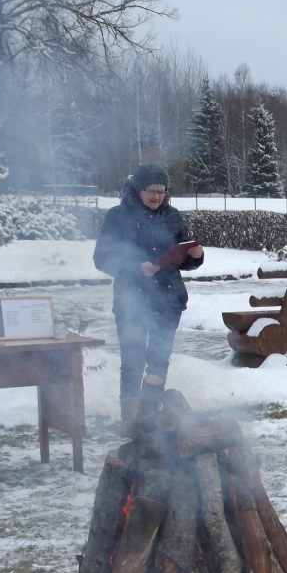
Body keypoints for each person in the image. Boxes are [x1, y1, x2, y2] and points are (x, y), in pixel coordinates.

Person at [93, 164, 203, 424]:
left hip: (168, 299)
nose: (157, 197)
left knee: (159, 360)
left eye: (162, 192)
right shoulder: (118, 216)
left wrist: (195, 257)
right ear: (138, 189)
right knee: (132, 361)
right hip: (132, 301)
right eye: (151, 191)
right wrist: (135, 268)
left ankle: (150, 419)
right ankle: (131, 423)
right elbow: (102, 258)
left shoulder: (172, 216)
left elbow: (182, 254)